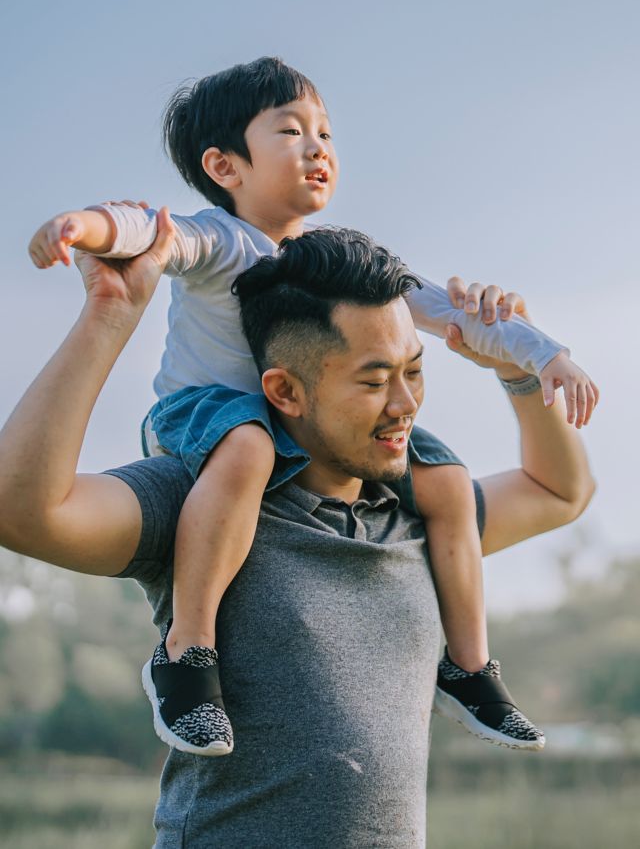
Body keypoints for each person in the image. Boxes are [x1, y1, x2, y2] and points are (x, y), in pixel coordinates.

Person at [27, 57, 598, 756]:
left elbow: (450, 311)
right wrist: (83, 227)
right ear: (225, 165)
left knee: (445, 477)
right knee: (247, 445)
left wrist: (541, 356)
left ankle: (471, 666)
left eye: (325, 132)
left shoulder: (343, 269)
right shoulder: (218, 239)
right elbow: (145, 229)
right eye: (291, 131)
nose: (319, 146)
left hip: (285, 437)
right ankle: (186, 655)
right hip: (202, 421)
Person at [0, 224, 595, 848]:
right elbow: (21, 510)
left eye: (413, 371)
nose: (404, 404)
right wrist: (107, 318)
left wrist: (519, 373)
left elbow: (560, 491)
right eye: (373, 381)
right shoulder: (207, 502)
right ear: (285, 390)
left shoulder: (419, 517)